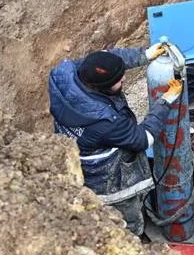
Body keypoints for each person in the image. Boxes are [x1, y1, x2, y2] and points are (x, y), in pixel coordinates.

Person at [48, 45, 183, 235]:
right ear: (103, 88)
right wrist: (165, 102)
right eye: (119, 81)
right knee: (125, 216)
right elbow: (143, 139)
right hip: (104, 177)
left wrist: (143, 55)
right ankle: (133, 239)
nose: (123, 80)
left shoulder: (63, 73)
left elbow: (104, 59)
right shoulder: (106, 121)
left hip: (75, 152)